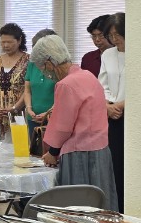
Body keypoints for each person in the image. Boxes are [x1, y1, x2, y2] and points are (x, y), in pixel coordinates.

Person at [29, 34, 118, 211]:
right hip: (101, 151)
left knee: (77, 207)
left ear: (49, 63)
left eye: (42, 67)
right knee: (100, 203)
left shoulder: (66, 84)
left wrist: (52, 152)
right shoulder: (88, 76)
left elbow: (63, 127)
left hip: (79, 154)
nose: (44, 73)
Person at [98, 12, 126, 210]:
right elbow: (102, 84)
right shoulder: (107, 54)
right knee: (114, 164)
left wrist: (122, 105)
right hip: (111, 114)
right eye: (111, 35)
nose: (115, 39)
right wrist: (107, 106)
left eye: (118, 34)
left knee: (128, 165)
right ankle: (116, 207)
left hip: (130, 113)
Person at [0, 23, 28, 141]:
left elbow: (28, 89)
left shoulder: (28, 60)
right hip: (2, 113)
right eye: (3, 42)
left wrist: (15, 107)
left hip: (20, 113)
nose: (5, 45)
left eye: (9, 42)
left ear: (19, 40)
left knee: (19, 144)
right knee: (3, 144)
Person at [23, 29, 59, 151]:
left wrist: (48, 113)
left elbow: (63, 95)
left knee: (51, 155)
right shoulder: (32, 64)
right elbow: (27, 90)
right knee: (35, 153)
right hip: (33, 117)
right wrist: (29, 109)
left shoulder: (59, 66)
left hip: (53, 118)